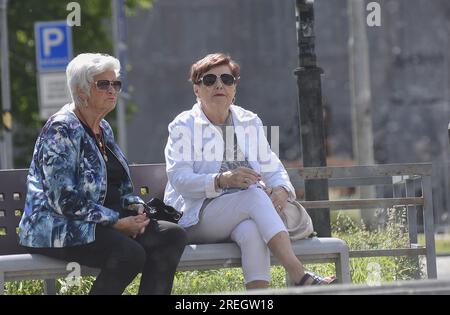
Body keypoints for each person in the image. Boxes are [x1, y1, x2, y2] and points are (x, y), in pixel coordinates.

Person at [18, 53, 187, 295]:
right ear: (81, 90)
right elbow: (63, 199)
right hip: (56, 227)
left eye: (115, 83)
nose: (112, 90)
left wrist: (136, 208)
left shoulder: (103, 127)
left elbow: (121, 185)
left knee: (172, 236)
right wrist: (116, 222)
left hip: (101, 224)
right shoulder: (62, 129)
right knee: (128, 253)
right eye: (103, 84)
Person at [164, 53, 335, 290]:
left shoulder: (248, 120)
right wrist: (221, 180)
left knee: (252, 231)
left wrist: (283, 190)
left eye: (227, 79)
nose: (219, 85)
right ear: (197, 89)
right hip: (196, 216)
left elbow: (272, 167)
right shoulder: (184, 125)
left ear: (235, 87)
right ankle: (300, 275)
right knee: (254, 196)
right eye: (209, 80)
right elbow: (180, 179)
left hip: (241, 213)